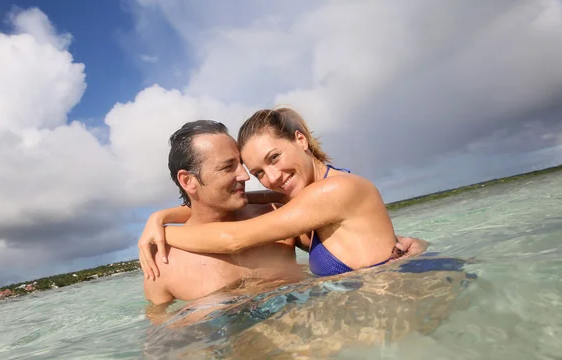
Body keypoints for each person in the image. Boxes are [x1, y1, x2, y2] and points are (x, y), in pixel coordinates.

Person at [139, 109, 428, 285]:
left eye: (274, 157)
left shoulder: (334, 192)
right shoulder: (319, 196)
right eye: (259, 172)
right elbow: (258, 198)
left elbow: (234, 239)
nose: (273, 177)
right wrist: (161, 215)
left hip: (405, 316)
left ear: (300, 139)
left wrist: (162, 233)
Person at [141, 120, 309, 305]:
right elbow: (160, 328)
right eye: (228, 167)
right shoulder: (162, 266)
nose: (245, 176)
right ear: (188, 181)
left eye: (241, 164)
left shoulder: (276, 215)